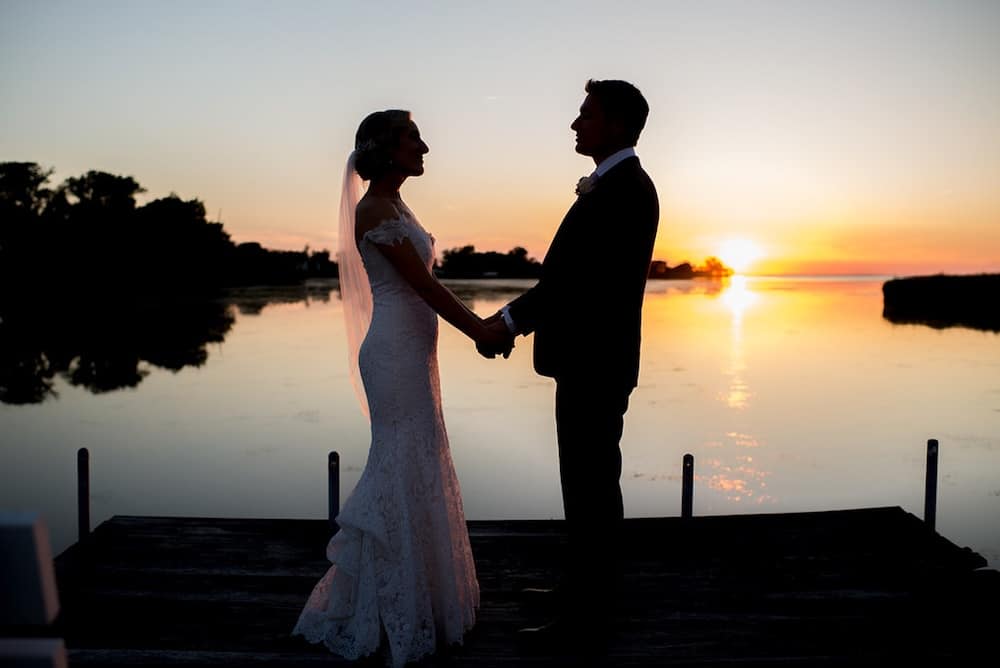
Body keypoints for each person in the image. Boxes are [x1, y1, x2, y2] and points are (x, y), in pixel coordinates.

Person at [293, 110, 511, 667]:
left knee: (421, 457)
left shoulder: (396, 205)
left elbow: (427, 288)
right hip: (391, 352)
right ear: (389, 149)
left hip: (413, 353)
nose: (425, 147)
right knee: (400, 458)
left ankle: (422, 598)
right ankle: (383, 604)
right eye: (415, 138)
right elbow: (424, 287)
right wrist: (482, 331)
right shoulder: (372, 210)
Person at [479, 79, 659, 645]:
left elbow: (572, 285)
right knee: (584, 485)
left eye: (585, 115)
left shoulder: (625, 190)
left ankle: (589, 615)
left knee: (592, 488)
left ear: (616, 124)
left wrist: (505, 323)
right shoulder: (612, 185)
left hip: (595, 365)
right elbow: (566, 282)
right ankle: (579, 591)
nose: (575, 124)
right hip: (588, 362)